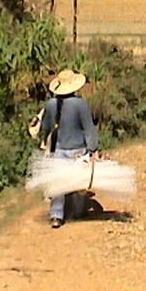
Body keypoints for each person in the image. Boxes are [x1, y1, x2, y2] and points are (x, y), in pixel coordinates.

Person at [39, 69, 98, 228]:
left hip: (59, 148)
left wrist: (46, 142)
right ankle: (78, 212)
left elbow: (46, 126)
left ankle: (56, 215)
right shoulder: (80, 104)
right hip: (78, 149)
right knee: (79, 182)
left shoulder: (51, 104)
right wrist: (93, 148)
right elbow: (88, 128)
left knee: (59, 181)